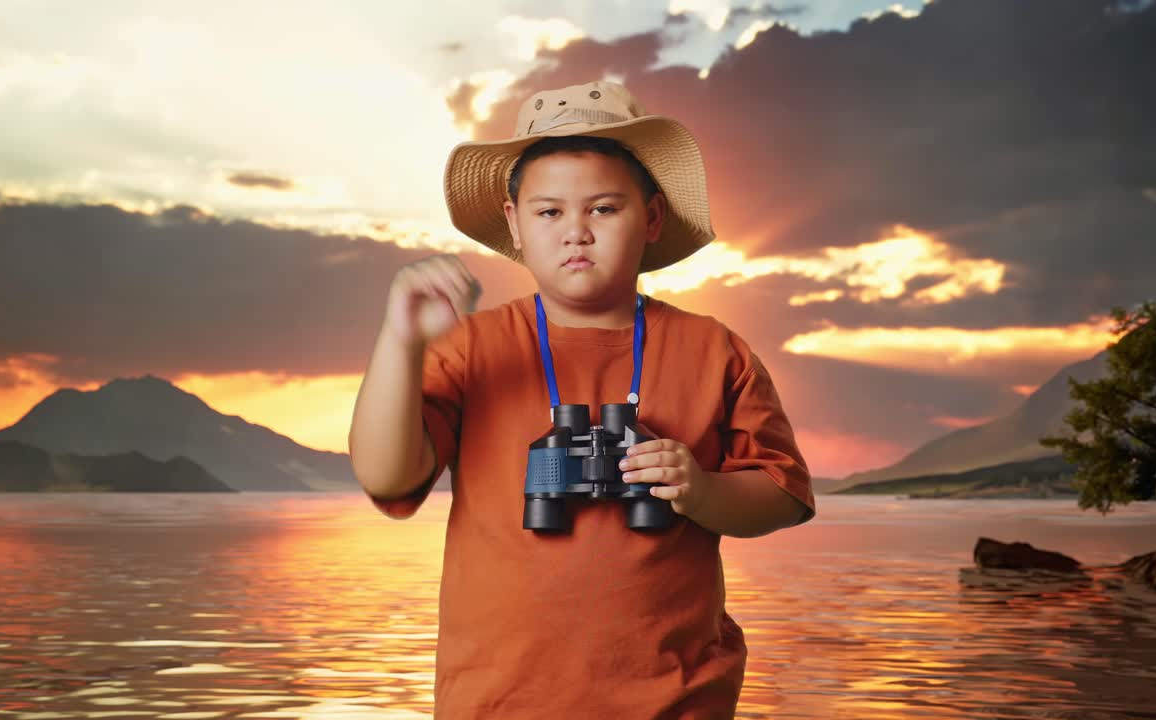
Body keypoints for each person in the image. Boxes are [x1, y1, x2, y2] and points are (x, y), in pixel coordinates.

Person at [349, 79, 816, 719]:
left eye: (604, 209)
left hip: (677, 699)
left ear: (651, 217)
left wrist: (700, 491)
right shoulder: (473, 347)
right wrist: (399, 340)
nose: (577, 232)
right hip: (501, 700)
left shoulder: (715, 350)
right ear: (514, 223)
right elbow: (385, 476)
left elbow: (785, 496)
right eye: (549, 212)